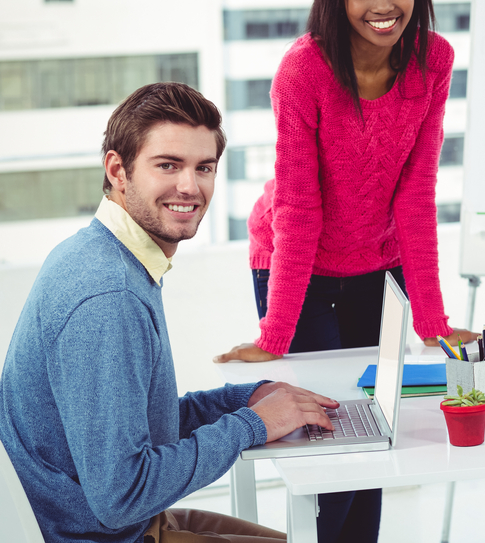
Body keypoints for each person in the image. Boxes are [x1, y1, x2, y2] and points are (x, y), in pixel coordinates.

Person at [213, 0, 479, 541]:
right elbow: (298, 208)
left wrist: (433, 323)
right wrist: (275, 335)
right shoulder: (303, 72)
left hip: (377, 266)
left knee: (373, 441)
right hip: (297, 264)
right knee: (329, 448)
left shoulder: (432, 61)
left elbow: (416, 196)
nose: (383, 7)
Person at [0, 83, 338, 543]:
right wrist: (253, 425)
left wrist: (245, 399)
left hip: (119, 524)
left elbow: (134, 427)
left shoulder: (102, 252)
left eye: (204, 168)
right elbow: (121, 496)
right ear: (118, 170)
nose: (190, 186)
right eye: (168, 166)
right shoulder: (108, 296)